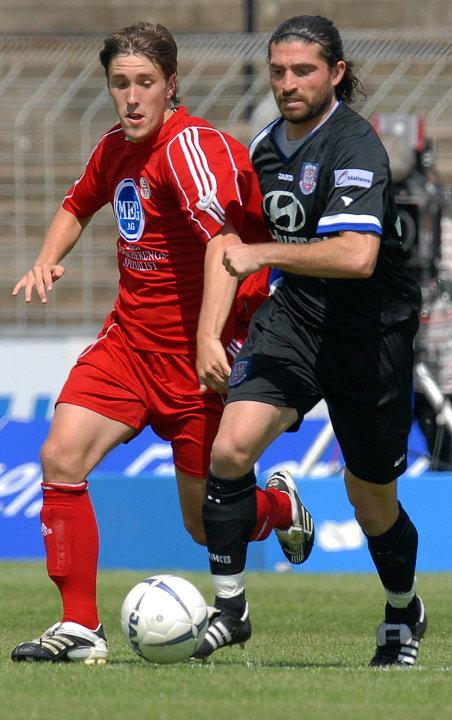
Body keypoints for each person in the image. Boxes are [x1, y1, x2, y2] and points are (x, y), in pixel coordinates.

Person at [10, 22, 312, 665]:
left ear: (171, 85)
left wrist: (209, 336)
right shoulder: (115, 148)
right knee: (60, 456)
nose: (132, 97)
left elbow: (225, 245)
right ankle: (79, 627)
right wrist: (45, 257)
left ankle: (279, 508)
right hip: (127, 347)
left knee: (203, 523)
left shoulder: (188, 149)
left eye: (145, 83)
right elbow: (77, 203)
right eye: (120, 84)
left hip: (199, 359)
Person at [193, 15, 427, 669]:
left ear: (336, 74)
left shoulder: (356, 147)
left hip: (370, 336)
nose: (288, 83)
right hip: (294, 319)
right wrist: (209, 332)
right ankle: (230, 611)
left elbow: (356, 255)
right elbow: (226, 242)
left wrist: (263, 252)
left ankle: (402, 610)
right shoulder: (266, 148)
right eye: (278, 71)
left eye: (303, 71)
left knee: (370, 497)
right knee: (232, 447)